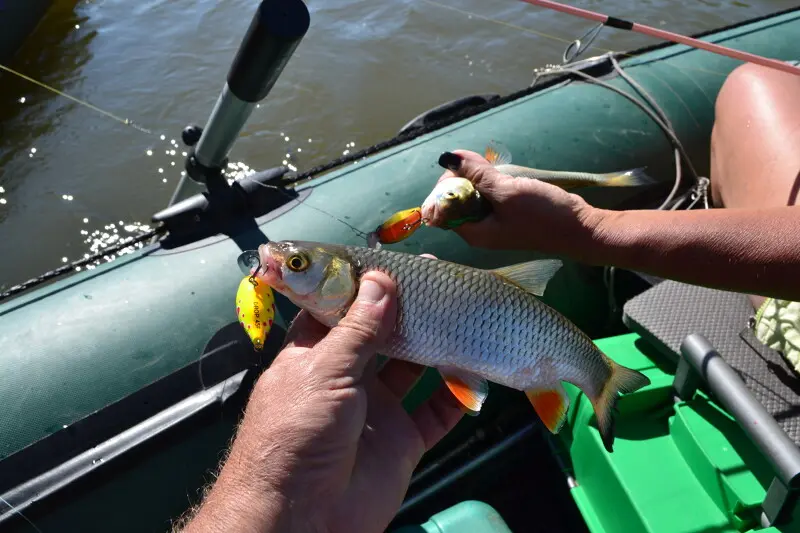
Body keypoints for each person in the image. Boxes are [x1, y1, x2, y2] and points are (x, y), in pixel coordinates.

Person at [176, 62, 800, 532]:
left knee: (753, 89)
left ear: (351, 285)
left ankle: (602, 380)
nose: (282, 269)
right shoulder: (351, 300)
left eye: (299, 264)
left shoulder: (362, 302)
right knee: (754, 86)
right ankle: (600, 379)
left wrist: (267, 505)